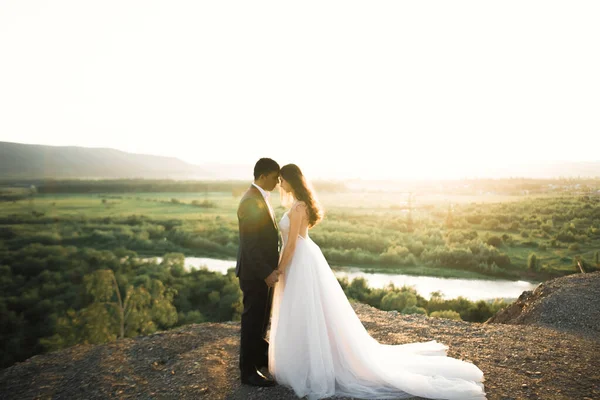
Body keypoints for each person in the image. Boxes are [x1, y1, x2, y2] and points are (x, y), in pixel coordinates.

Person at [268, 163, 487, 400]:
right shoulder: (300, 205)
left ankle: (311, 365)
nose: (280, 183)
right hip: (303, 259)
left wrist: (279, 270)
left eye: (282, 179)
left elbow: (291, 244)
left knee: (304, 309)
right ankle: (309, 360)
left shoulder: (298, 207)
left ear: (292, 180)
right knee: (305, 310)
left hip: (299, 260)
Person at [236, 158, 281, 387]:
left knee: (261, 320)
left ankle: (258, 359)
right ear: (263, 175)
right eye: (275, 177)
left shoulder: (259, 198)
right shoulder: (251, 202)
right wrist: (266, 273)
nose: (278, 182)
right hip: (254, 275)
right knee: (252, 322)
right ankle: (248, 372)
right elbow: (250, 245)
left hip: (261, 273)